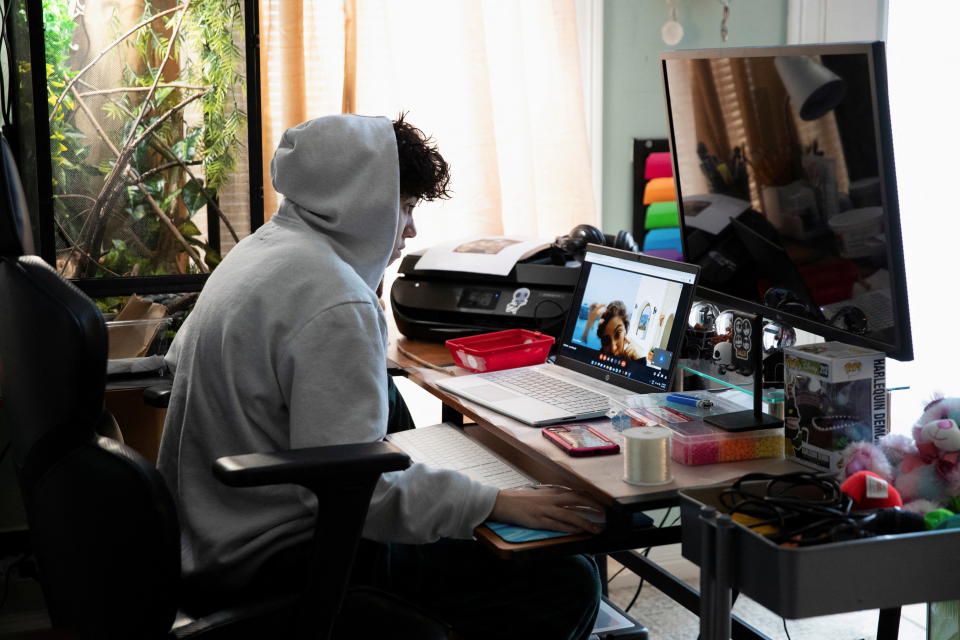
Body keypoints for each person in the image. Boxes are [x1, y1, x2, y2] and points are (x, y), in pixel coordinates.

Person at [157, 113, 602, 639]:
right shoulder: (334, 295)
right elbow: (363, 492)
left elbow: (175, 362)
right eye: (406, 206)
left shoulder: (258, 252)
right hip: (277, 557)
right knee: (567, 578)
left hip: (207, 536)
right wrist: (495, 500)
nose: (411, 229)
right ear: (358, 198)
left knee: (391, 401)